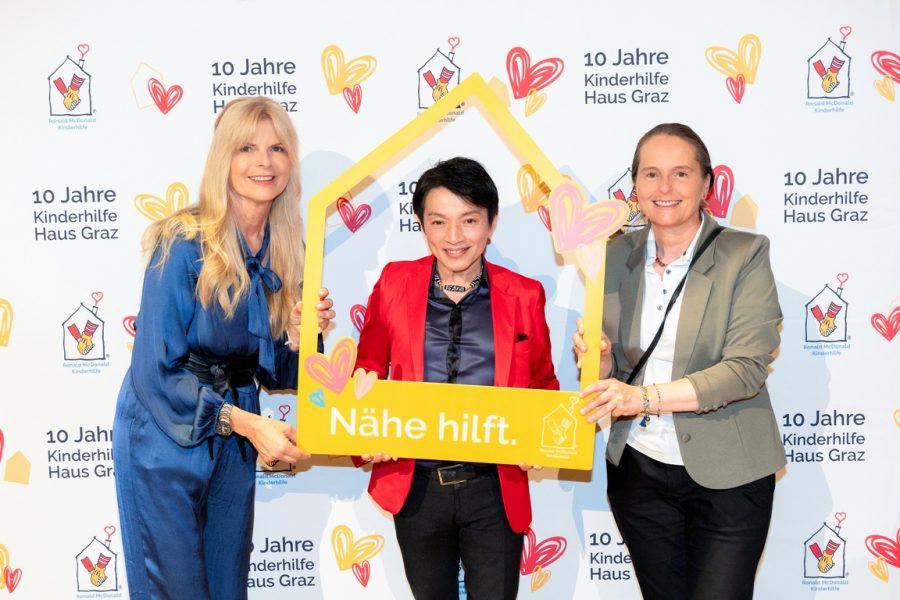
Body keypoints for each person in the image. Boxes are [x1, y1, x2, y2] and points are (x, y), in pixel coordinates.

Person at [112, 96, 334, 600]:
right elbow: (156, 373)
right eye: (247, 148)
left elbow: (282, 373)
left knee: (226, 586)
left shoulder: (286, 250)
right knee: (176, 589)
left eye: (278, 148)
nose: (264, 162)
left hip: (233, 435)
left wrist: (303, 334)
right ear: (223, 159)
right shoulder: (181, 242)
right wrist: (249, 424)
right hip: (163, 434)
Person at [574, 123, 785, 600]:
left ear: (706, 184)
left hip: (730, 473)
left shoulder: (745, 254)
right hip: (641, 473)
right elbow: (612, 375)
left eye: (681, 174)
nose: (664, 189)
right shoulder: (610, 255)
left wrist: (641, 398)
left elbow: (746, 369)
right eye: (650, 174)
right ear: (633, 186)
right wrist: (601, 362)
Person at [354, 157, 559, 599]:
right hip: (417, 486)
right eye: (439, 222)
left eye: (469, 221)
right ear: (422, 226)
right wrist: (363, 421)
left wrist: (541, 441)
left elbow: (543, 384)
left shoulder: (524, 295)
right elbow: (367, 366)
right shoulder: (393, 283)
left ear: (492, 223)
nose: (454, 237)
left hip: (494, 489)